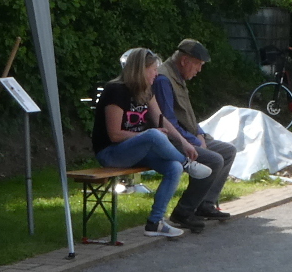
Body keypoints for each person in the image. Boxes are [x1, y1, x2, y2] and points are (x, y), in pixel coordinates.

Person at [93, 47, 210, 239]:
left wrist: (184, 143)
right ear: (140, 70)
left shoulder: (147, 90)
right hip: (111, 153)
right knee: (153, 135)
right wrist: (147, 135)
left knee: (173, 168)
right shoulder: (116, 91)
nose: (156, 73)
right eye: (153, 69)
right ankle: (187, 163)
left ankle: (155, 222)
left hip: (134, 150)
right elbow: (114, 135)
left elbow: (161, 119)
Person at [152, 39, 236, 225]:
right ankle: (183, 212)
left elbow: (187, 115)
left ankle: (205, 204)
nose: (199, 70)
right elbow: (168, 121)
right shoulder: (164, 79)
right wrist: (195, 141)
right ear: (184, 61)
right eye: (198, 64)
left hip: (189, 137)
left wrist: (200, 134)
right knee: (214, 159)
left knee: (228, 151)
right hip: (171, 141)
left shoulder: (178, 77)